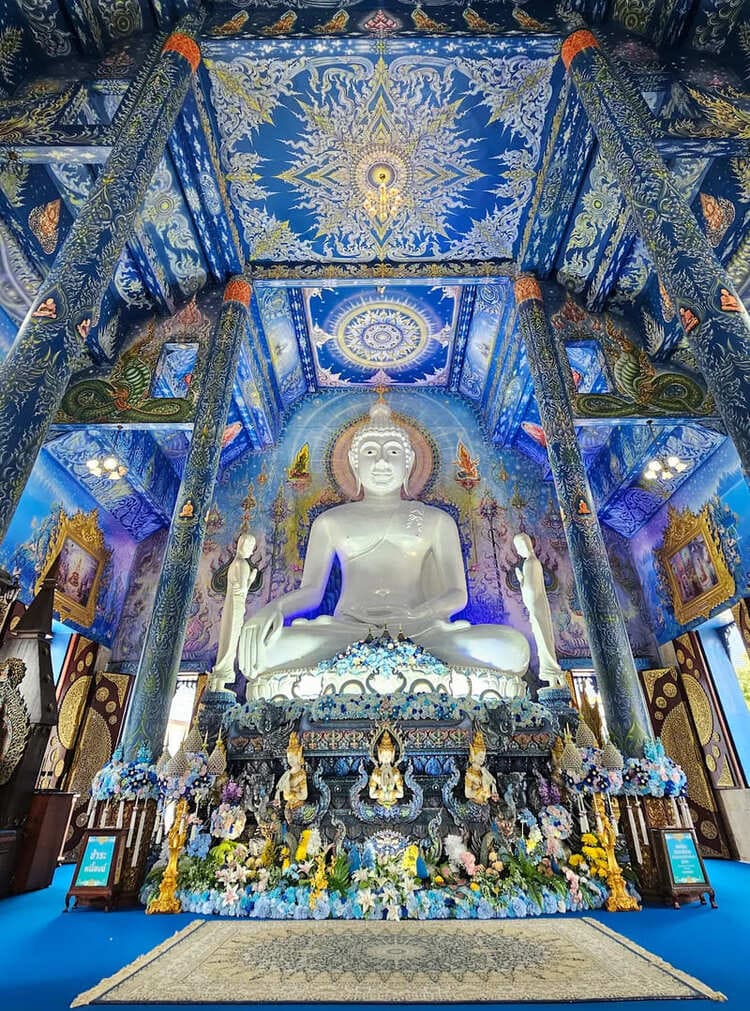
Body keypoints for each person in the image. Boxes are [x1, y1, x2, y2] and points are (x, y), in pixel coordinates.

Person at [238, 400, 529, 690]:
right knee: (261, 652)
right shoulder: (330, 522)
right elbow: (312, 593)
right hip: (347, 631)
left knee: (513, 648)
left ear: (409, 462)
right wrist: (272, 609)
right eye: (369, 452)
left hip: (421, 631)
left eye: (392, 452)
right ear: (354, 462)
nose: (381, 462)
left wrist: (421, 614)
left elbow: (457, 595)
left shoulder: (436, 520)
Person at [513, 532, 566, 689]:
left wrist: (521, 580)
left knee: (543, 640)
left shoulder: (529, 563)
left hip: (536, 606)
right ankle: (554, 678)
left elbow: (529, 590)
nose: (517, 552)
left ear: (525, 545)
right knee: (544, 640)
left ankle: (554, 674)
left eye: (518, 548)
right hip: (539, 605)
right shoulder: (533, 562)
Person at [209, 532, 257, 692]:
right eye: (251, 547)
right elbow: (243, 588)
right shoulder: (242, 564)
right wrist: (251, 579)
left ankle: (219, 680)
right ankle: (222, 675)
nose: (252, 550)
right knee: (231, 638)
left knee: (228, 637)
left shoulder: (235, 562)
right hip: (236, 605)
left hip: (233, 603)